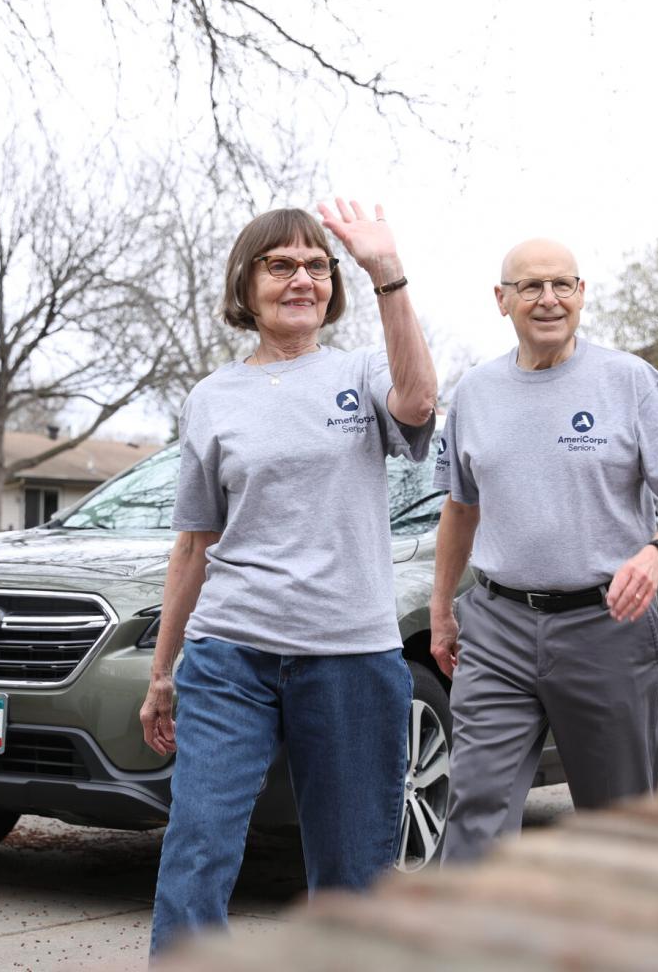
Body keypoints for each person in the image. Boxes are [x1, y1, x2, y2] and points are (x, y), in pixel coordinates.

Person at [140, 201, 437, 955]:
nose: (301, 279)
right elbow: (194, 544)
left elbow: (419, 403)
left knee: (352, 870)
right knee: (198, 846)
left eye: (316, 265)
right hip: (229, 653)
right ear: (246, 284)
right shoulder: (212, 398)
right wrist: (162, 672)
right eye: (281, 265)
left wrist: (387, 275)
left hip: (349, 655)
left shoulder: (362, 373)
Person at [428, 237, 658, 864]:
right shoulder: (474, 393)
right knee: (475, 809)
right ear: (502, 300)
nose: (548, 299)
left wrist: (657, 551)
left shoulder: (631, 382)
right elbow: (460, 509)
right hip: (496, 626)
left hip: (607, 624)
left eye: (562, 285)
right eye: (530, 286)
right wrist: (444, 607)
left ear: (581, 294)